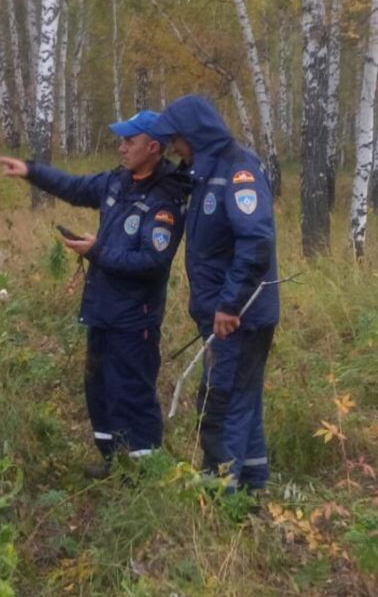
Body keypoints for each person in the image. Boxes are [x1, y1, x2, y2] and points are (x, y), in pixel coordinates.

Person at [0, 111, 189, 478]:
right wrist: (31, 171)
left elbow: (151, 261)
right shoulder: (118, 181)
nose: (121, 147)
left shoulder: (165, 200)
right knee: (100, 389)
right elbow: (75, 187)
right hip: (102, 310)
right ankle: (113, 461)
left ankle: (144, 475)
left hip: (134, 318)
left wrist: (95, 252)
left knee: (132, 393)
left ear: (153, 147)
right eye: (121, 141)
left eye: (129, 142)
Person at [149, 95, 279, 493]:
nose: (173, 148)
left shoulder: (238, 172)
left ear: (194, 136)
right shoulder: (207, 172)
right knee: (244, 400)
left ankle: (219, 495)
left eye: (176, 139)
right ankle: (253, 485)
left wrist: (228, 305)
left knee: (220, 402)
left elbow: (256, 241)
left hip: (239, 317)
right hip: (228, 315)